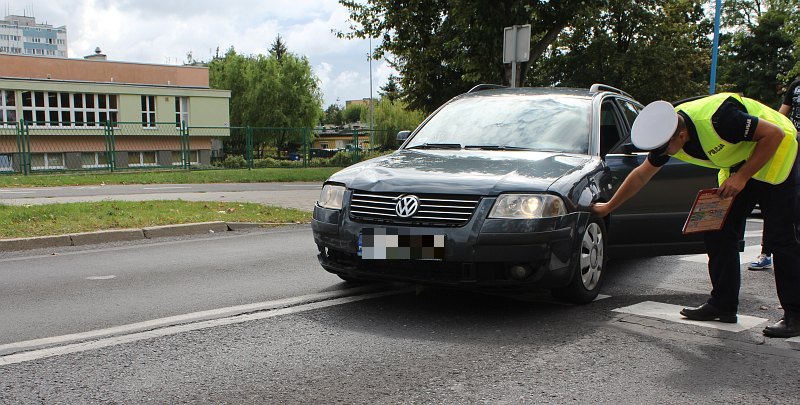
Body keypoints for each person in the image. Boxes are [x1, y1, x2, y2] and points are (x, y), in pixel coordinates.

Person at [591, 92, 800, 338]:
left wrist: (742, 177)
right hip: (740, 164)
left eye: (666, 148)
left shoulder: (720, 118)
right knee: (717, 231)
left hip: (778, 156)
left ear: (680, 135)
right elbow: (640, 175)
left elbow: (773, 134)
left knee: (782, 240)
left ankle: (795, 316)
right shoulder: (668, 136)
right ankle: (723, 304)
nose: (664, 154)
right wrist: (608, 207)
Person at [748, 79, 800, 271]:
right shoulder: (796, 86)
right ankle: (766, 252)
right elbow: (782, 116)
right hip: (790, 147)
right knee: (776, 203)